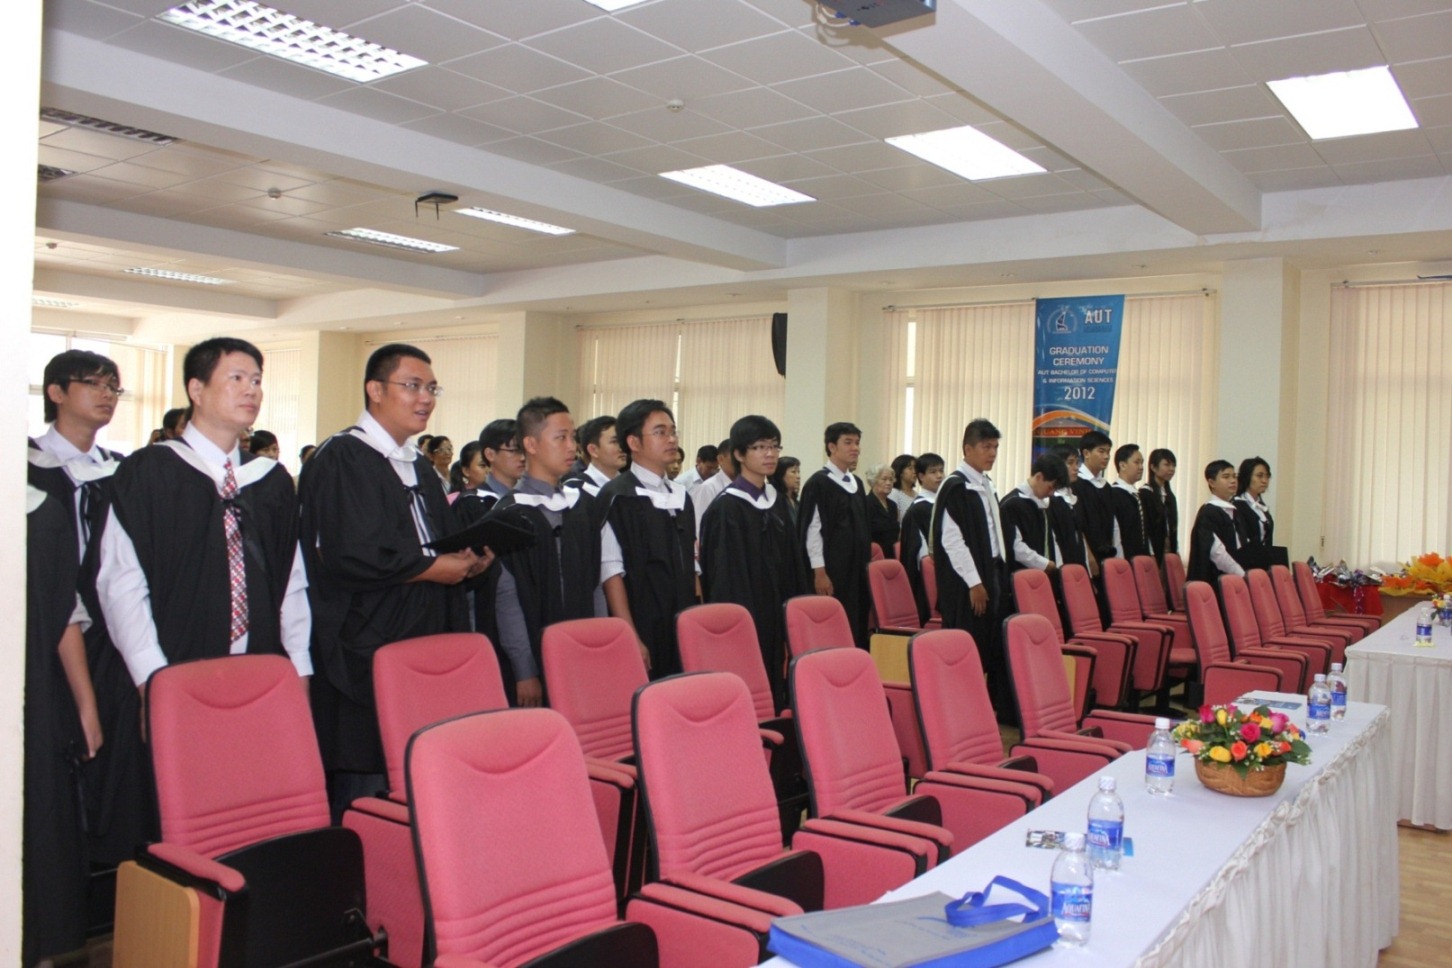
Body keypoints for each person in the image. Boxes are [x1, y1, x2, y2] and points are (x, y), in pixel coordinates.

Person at [299, 343, 484, 817]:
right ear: (375, 390)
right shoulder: (343, 456)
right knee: (370, 782)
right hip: (368, 642)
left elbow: (432, 539)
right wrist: (433, 568)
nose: (426, 398)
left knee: (421, 772)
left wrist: (466, 560)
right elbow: (350, 553)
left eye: (432, 388)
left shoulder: (418, 463)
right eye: (413, 386)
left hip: (423, 635)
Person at [28, 350, 154, 874]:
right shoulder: (24, 468)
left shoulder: (121, 471)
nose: (107, 395)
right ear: (56, 393)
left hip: (111, 636)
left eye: (113, 387)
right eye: (93, 384)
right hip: (45, 635)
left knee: (117, 760)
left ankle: (112, 878)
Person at [24, 487, 99, 968]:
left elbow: (64, 612)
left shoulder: (40, 514)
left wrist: (86, 706)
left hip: (32, 702)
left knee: (38, 829)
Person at [492, 398, 604, 706]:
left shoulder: (581, 506)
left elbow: (595, 583)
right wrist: (525, 670)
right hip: (535, 660)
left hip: (582, 650)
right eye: (561, 438)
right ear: (531, 444)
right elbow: (506, 598)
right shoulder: (509, 515)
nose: (572, 447)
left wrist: (601, 644)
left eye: (573, 437)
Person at [700, 415, 808, 707]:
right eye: (760, 447)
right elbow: (725, 578)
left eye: (774, 446)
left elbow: (794, 564)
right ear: (739, 454)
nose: (770, 454)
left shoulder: (777, 502)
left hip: (777, 613)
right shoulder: (727, 508)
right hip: (747, 617)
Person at [597, 399, 696, 677]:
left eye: (673, 431)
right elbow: (611, 572)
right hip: (642, 622)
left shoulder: (680, 496)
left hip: (682, 621)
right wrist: (630, 635)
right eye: (660, 432)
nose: (671, 439)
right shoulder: (618, 497)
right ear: (633, 442)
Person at [931, 419, 1013, 719]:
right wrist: (974, 583)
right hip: (967, 582)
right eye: (985, 447)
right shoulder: (955, 487)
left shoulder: (984, 483)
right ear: (967, 449)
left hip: (992, 572)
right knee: (968, 644)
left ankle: (982, 706)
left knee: (989, 643)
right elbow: (952, 542)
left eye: (995, 447)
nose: (992, 453)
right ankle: (959, 710)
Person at [799, 422, 872, 649]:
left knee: (857, 621)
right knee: (835, 624)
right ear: (832, 447)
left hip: (857, 568)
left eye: (857, 443)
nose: (855, 448)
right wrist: (819, 572)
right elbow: (812, 530)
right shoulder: (818, 483)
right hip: (833, 569)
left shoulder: (856, 483)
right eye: (848, 442)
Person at [999, 452, 1073, 573]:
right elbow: (1015, 546)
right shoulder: (1012, 504)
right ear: (1039, 477)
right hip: (1023, 575)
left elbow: (1052, 539)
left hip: (1046, 573)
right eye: (1050, 487)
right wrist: (1043, 563)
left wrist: (1059, 566)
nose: (1051, 493)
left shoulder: (1043, 504)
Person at [899, 452, 944, 624]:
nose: (939, 476)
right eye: (933, 472)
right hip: (928, 577)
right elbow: (921, 555)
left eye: (941, 471)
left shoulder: (941, 503)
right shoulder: (919, 510)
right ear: (921, 476)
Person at [1187, 460, 1248, 586]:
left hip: (1232, 580)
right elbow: (1217, 553)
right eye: (1226, 477)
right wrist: (1243, 575)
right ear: (1212, 482)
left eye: (1234, 476)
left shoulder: (1234, 512)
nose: (1233, 481)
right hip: (1213, 582)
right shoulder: (1209, 513)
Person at [1071, 430, 1116, 568]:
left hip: (1107, 556)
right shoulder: (1075, 484)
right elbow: (1077, 526)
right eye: (1101, 451)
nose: (1106, 456)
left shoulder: (1106, 487)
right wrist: (1088, 556)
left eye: (1108, 452)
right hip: (1086, 557)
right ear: (1086, 453)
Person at [1048, 444, 1089, 570]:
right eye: (1070, 463)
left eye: (1077, 463)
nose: (1076, 468)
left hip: (1078, 562)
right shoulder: (1050, 500)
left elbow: (1079, 535)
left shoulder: (1074, 497)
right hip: (1061, 564)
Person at [565, 414, 627, 496]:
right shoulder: (573, 490)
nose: (622, 447)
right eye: (614, 441)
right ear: (593, 450)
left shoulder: (631, 486)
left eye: (622, 441)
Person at [1107, 443, 1149, 560]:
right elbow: (1115, 531)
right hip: (1124, 558)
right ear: (1122, 465)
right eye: (1136, 462)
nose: (1141, 467)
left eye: (1142, 463)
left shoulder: (1137, 495)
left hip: (1141, 558)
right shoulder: (1114, 494)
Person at [1233, 457, 1276, 570]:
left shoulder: (1261, 506)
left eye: (1267, 476)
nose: (1264, 480)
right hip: (1246, 565)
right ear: (1247, 477)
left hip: (1263, 564)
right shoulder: (1237, 505)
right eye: (1259, 476)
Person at [1140, 448, 1179, 563]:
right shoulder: (1145, 493)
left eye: (1173, 465)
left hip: (1169, 548)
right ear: (1153, 467)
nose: (1171, 469)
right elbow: (1145, 528)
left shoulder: (1170, 496)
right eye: (1167, 465)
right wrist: (1150, 553)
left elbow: (1172, 528)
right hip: (1153, 551)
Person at [692, 438, 736, 534]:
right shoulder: (708, 487)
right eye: (734, 458)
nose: (739, 462)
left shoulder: (746, 487)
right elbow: (699, 526)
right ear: (720, 459)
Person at [864, 462, 900, 560]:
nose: (888, 483)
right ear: (873, 481)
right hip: (873, 557)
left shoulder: (893, 505)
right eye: (884, 479)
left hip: (892, 556)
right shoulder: (865, 504)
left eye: (891, 479)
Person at [770, 455, 802, 526]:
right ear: (781, 475)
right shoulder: (774, 501)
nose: (798, 476)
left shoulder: (797, 502)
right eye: (793, 472)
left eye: (798, 472)